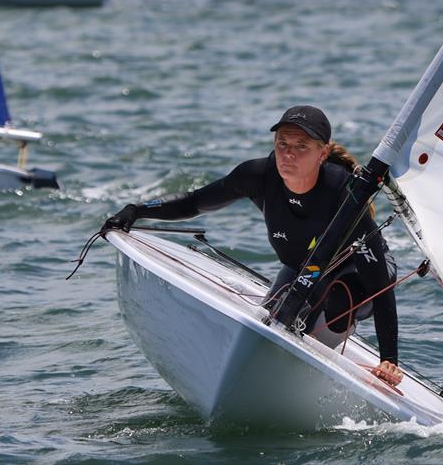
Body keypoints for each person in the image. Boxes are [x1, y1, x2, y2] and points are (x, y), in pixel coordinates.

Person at [103, 105, 403, 387]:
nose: (289, 154)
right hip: (300, 270)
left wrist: (389, 359)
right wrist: (137, 209)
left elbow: (380, 282)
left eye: (301, 147)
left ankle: (305, 373)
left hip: (361, 280)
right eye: (283, 143)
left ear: (323, 153)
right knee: (275, 317)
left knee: (336, 299)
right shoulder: (259, 176)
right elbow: (195, 201)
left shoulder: (345, 196)